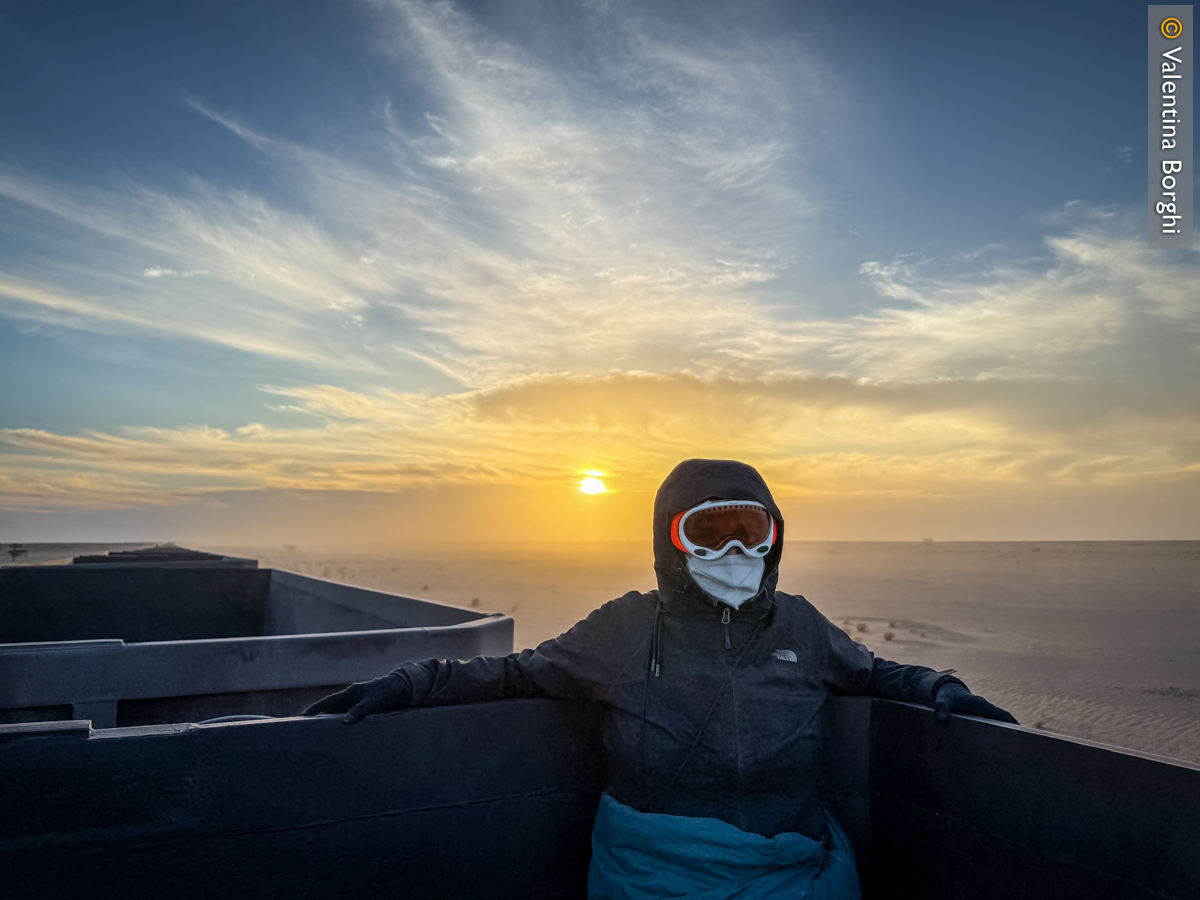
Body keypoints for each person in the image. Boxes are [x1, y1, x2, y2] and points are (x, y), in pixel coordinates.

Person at [301, 458, 1017, 899]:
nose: (733, 549)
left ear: (774, 538)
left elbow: (872, 671)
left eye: (750, 530)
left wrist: (936, 687)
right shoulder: (623, 629)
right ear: (669, 540)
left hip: (791, 872)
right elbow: (518, 673)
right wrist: (414, 682)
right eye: (707, 533)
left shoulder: (800, 626)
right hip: (655, 874)